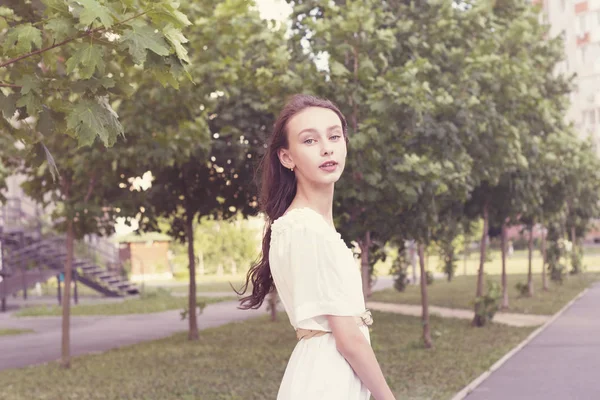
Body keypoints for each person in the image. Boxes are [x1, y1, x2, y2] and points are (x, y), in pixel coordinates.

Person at [235, 94, 396, 400]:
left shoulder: (301, 226)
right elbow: (349, 339)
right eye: (309, 140)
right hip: (328, 381)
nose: (326, 147)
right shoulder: (305, 229)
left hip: (326, 375)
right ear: (286, 157)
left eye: (334, 136)